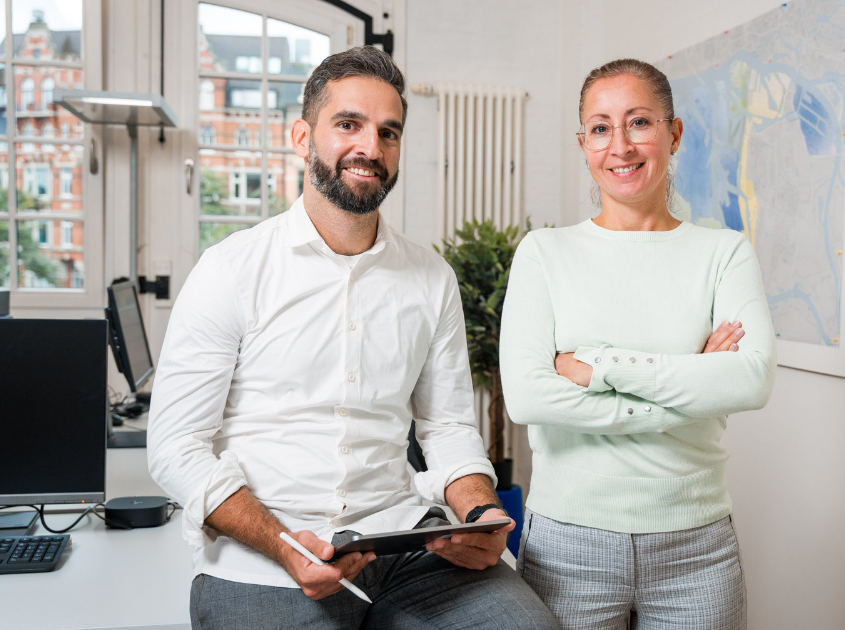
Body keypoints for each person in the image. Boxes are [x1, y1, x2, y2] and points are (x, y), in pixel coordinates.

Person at [148, 46, 558, 630]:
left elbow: (445, 428)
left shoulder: (431, 277)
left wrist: (479, 513)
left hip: (404, 543)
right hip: (262, 556)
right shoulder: (230, 270)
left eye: (388, 132)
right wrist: (283, 545)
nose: (371, 147)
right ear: (302, 137)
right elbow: (175, 447)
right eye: (348, 124)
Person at [499, 58, 777, 629]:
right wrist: (691, 382)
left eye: (640, 122)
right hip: (567, 545)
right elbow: (527, 397)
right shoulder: (544, 253)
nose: (620, 146)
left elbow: (751, 379)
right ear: (583, 143)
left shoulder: (724, 253)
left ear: (673, 134)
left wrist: (598, 368)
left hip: (697, 548)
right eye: (600, 128)